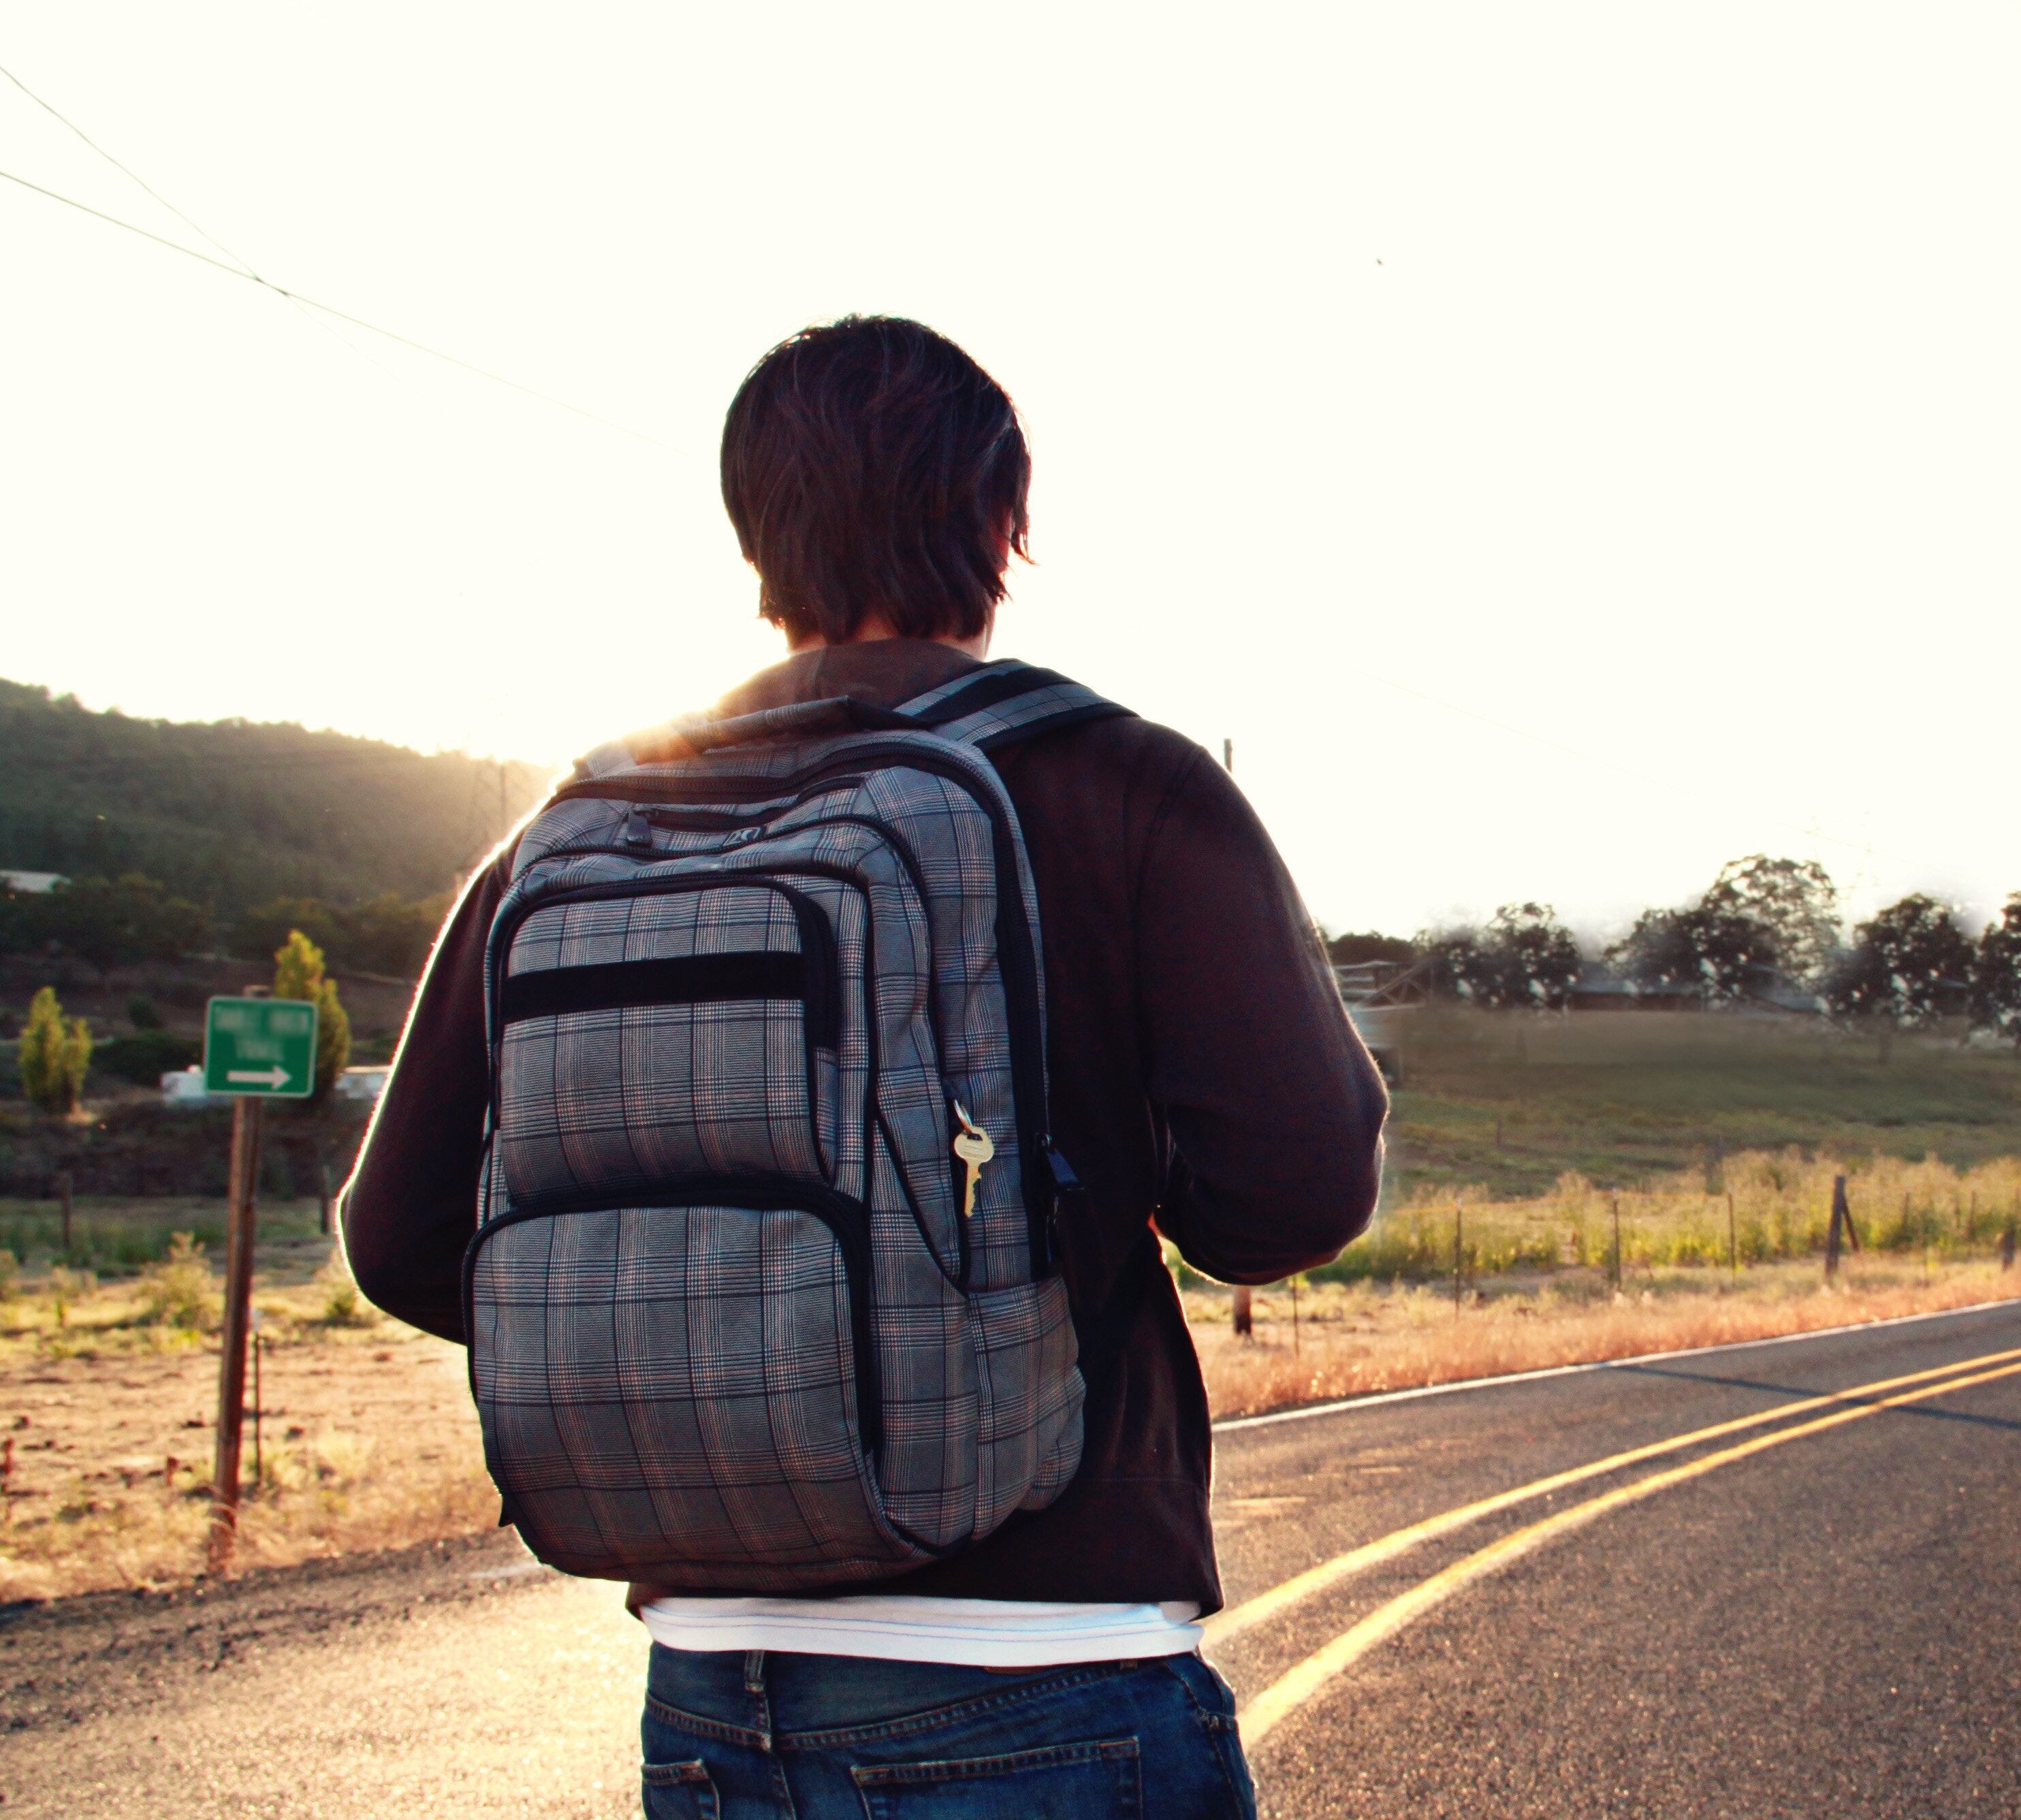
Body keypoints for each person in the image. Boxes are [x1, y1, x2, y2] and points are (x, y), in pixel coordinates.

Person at [343, 315, 1386, 1818]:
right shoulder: (1124, 782)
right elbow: (1292, 1193)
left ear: (753, 536)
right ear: (1005, 523)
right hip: (1050, 1662)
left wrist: (709, 1333)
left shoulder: (592, 815)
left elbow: (400, 1235)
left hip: (711, 1683)